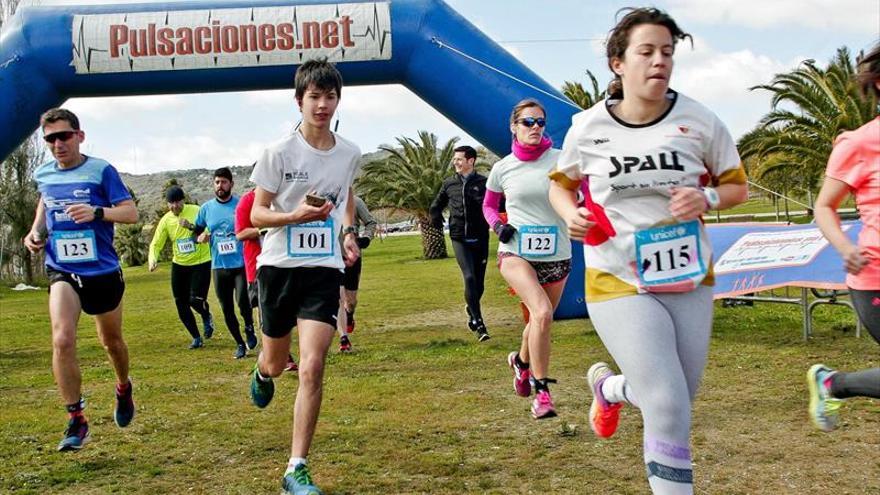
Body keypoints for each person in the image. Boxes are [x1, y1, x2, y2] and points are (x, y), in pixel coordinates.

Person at [549, 8, 748, 494]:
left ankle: (610, 388)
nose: (659, 61)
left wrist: (707, 197)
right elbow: (561, 185)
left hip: (687, 274)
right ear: (618, 62)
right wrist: (567, 212)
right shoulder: (588, 127)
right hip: (615, 276)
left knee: (679, 396)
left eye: (667, 52)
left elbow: (736, 187)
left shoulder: (700, 120)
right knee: (666, 403)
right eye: (647, 51)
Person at [248, 58, 361, 495]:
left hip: (321, 269)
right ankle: (262, 372)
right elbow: (258, 213)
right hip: (277, 267)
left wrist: (347, 233)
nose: (322, 104)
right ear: (300, 101)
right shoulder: (278, 152)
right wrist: (295, 215)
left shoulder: (349, 152)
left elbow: (346, 197)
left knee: (312, 365)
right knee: (277, 363)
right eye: (314, 96)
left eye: (330, 96)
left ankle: (296, 467)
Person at [23, 108, 139, 451]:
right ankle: (76, 419)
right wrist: (35, 232)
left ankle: (123, 386)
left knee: (111, 343)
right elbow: (45, 201)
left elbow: (131, 213)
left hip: (102, 271)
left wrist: (98, 212)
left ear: (79, 136)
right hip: (62, 269)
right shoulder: (44, 174)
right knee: (61, 339)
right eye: (50, 139)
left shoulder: (101, 170)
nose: (58, 144)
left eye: (64, 136)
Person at [483, 99, 572, 419]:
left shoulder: (562, 161)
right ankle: (542, 392)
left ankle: (520, 363)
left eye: (540, 122)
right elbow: (489, 206)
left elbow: (585, 192)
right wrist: (498, 226)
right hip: (516, 252)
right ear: (514, 126)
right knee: (543, 312)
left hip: (558, 254)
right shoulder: (503, 168)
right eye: (527, 122)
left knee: (539, 320)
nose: (535, 127)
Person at [808, 43, 880, 432]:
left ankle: (833, 383)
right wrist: (845, 247)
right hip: (874, 276)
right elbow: (824, 206)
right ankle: (832, 383)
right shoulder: (860, 143)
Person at [192, 167, 256, 359]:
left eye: (224, 182)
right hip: (219, 267)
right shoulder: (206, 209)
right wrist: (199, 237)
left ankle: (249, 327)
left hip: (240, 265)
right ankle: (239, 343)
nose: (220, 186)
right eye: (217, 182)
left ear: (231, 184)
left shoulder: (240, 205)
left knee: (243, 303)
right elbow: (195, 233)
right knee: (226, 308)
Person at [429, 145, 491, 341]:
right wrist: (435, 217)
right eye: (454, 159)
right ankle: (479, 323)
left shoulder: (484, 182)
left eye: (459, 159)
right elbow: (436, 205)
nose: (455, 162)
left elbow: (497, 203)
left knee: (479, 285)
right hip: (458, 237)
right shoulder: (449, 184)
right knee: (470, 278)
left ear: (470, 161)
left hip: (480, 237)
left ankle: (470, 306)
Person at [236, 185, 298, 372]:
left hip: (286, 261)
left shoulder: (285, 196)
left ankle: (281, 349)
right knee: (264, 309)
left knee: (289, 308)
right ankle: (278, 353)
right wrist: (262, 230)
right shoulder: (247, 202)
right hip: (258, 265)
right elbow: (240, 234)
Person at [148, 186, 215, 349]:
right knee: (180, 302)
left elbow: (208, 229)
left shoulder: (197, 210)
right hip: (180, 265)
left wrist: (199, 232)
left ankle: (206, 314)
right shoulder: (166, 220)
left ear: (183, 200)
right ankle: (196, 338)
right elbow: (156, 243)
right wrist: (153, 259)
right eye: (171, 203)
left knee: (195, 300)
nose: (174, 206)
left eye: (177, 202)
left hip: (201, 262)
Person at [336, 195, 377, 353]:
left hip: (351, 256)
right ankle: (343, 338)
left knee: (350, 300)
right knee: (338, 297)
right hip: (332, 257)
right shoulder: (325, 202)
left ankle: (349, 315)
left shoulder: (355, 201)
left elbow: (371, 222)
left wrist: (366, 237)